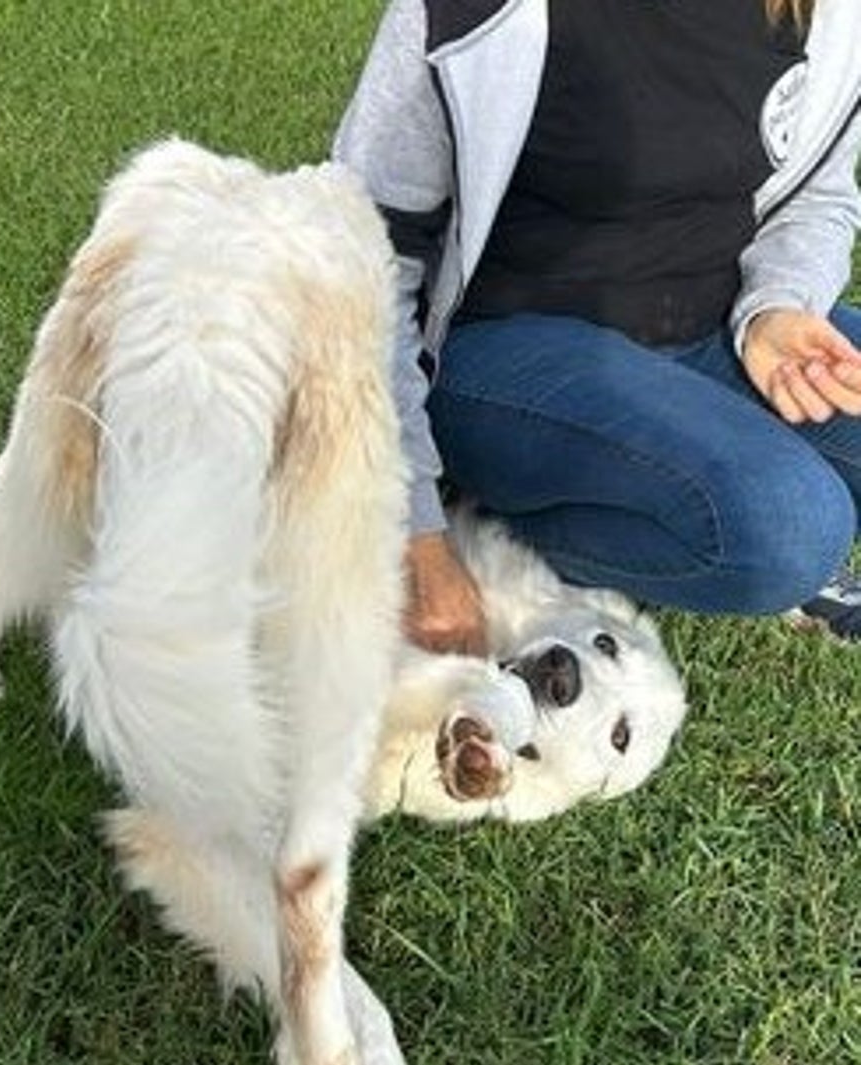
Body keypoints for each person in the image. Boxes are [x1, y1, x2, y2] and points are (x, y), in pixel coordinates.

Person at [334, 0, 861, 653]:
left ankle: (688, 489)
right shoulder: (475, 12)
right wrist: (412, 530)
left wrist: (778, 306)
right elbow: (362, 258)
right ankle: (476, 532)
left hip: (714, 326)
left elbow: (819, 192)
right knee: (789, 528)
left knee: (782, 497)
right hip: (507, 349)